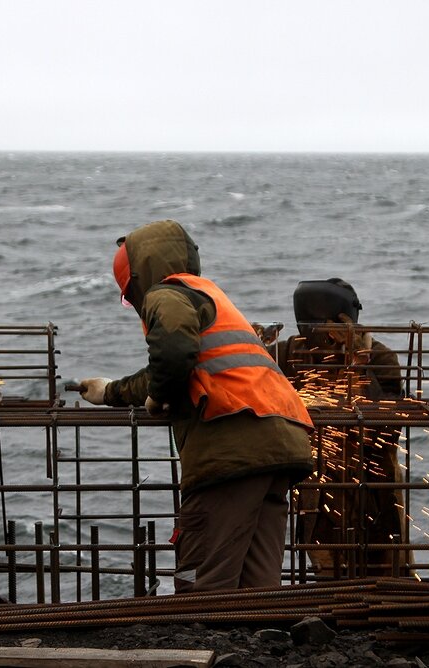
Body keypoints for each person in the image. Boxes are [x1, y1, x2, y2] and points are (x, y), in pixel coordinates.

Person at [78, 219, 314, 593]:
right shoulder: (211, 297)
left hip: (233, 449)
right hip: (283, 441)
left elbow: (172, 353)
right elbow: (182, 364)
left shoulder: (165, 294)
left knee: (203, 582)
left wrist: (162, 390)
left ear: (138, 281)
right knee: (258, 584)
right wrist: (112, 391)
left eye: (129, 296)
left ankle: (206, 649)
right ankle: (263, 643)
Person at [274, 278, 409, 575]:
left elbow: (385, 430)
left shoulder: (380, 358)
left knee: (385, 572)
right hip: (316, 491)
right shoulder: (289, 355)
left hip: (375, 489)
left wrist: (357, 360)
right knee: (328, 574)